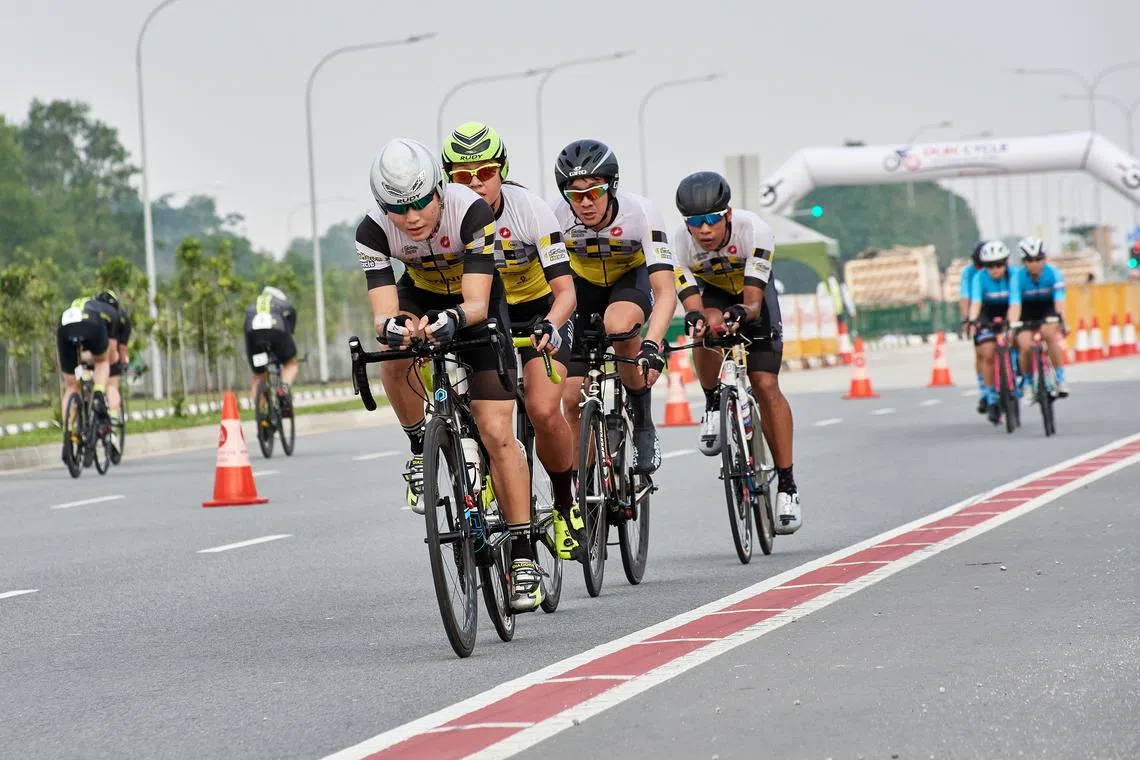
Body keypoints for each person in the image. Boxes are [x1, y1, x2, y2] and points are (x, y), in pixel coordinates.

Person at [355, 137, 540, 612]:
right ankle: (420, 447)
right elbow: (383, 313)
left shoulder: (472, 211)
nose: (412, 217)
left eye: (420, 202)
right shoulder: (372, 232)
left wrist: (453, 321)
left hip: (478, 303)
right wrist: (396, 326)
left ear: (437, 189)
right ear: (382, 206)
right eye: (399, 208)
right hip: (421, 293)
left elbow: (476, 304)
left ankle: (522, 553)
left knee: (497, 431)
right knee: (392, 349)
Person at [441, 121, 585, 560]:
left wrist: (552, 324)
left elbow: (566, 292)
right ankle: (484, 472)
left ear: (502, 170)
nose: (475, 183)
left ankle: (564, 503)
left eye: (484, 172)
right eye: (462, 177)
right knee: (475, 410)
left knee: (543, 409)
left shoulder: (530, 210)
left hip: (539, 311)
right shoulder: (448, 217)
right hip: (485, 314)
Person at [672, 171, 801, 534]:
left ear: (727, 215)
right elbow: (692, 302)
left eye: (712, 219)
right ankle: (713, 403)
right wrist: (700, 317)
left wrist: (743, 314)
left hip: (752, 294)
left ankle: (788, 487)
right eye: (696, 222)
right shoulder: (678, 243)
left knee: (764, 383)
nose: (705, 230)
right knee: (703, 328)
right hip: (713, 292)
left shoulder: (755, 230)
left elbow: (754, 305)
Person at [550, 139, 677, 477]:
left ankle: (643, 422)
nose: (585, 203)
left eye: (594, 191)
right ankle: (586, 493)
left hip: (629, 281)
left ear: (612, 186)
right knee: (572, 399)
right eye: (575, 195)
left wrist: (652, 344)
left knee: (619, 325)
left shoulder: (642, 212)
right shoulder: (555, 217)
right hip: (583, 288)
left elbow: (666, 291)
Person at [56, 293, 119, 451]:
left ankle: (68, 432)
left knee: (71, 386)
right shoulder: (112, 313)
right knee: (102, 361)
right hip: (92, 324)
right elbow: (111, 353)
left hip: (65, 325)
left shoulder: (83, 303)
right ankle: (98, 393)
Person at [967, 240, 1021, 425]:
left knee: (1016, 340)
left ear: (1006, 262)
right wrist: (973, 320)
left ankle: (1015, 372)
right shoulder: (979, 278)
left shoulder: (1014, 275)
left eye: (999, 264)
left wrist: (1012, 325)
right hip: (987, 313)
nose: (995, 269)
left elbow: (1015, 303)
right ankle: (991, 398)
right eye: (990, 266)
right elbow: (976, 303)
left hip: (1009, 310)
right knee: (988, 352)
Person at [1012, 236, 1068, 398]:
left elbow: (1059, 302)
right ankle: (1028, 382)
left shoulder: (1054, 274)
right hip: (1026, 311)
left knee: (1050, 334)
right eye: (1030, 260)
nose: (1035, 263)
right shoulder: (1018, 278)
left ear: (1044, 259)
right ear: (1024, 262)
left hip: (1048, 309)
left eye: (1038, 259)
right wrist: (1012, 324)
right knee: (1025, 344)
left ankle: (1060, 378)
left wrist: (1061, 320)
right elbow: (1015, 305)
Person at [243, 286, 299, 413]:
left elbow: (246, 325)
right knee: (290, 364)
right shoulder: (281, 302)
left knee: (258, 375)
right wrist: (290, 332)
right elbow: (291, 313)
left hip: (253, 334)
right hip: (277, 330)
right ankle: (283, 391)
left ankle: (261, 413)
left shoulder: (254, 304)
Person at [959, 242, 988, 414]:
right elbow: (965, 299)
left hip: (999, 305)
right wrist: (968, 320)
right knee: (981, 351)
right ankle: (984, 390)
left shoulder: (1004, 272)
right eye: (976, 265)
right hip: (979, 309)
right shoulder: (969, 273)